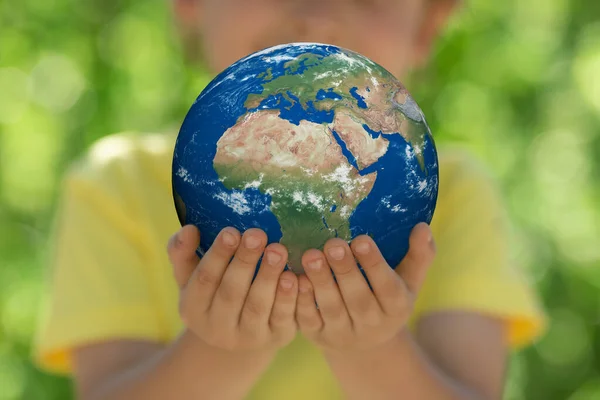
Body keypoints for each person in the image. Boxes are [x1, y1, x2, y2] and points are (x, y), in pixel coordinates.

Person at [34, 1, 546, 399]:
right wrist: (220, 352)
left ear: (428, 26)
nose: (317, 14)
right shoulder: (114, 187)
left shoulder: (455, 198)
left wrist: (371, 351)